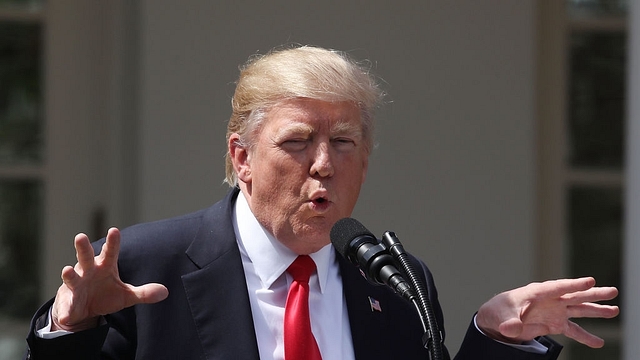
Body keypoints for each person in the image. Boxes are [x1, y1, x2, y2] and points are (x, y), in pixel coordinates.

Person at [24, 45, 618, 359]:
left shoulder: (396, 282)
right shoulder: (141, 267)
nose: (324, 164)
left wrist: (497, 341)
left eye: (343, 142)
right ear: (242, 158)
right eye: (297, 141)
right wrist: (69, 329)